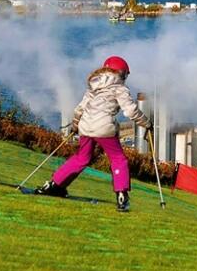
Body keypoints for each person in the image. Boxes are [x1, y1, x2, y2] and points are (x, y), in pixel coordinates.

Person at [36, 56, 151, 212]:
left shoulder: (93, 86)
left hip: (85, 127)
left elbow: (79, 109)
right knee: (118, 159)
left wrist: (75, 126)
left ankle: (54, 185)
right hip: (104, 128)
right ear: (120, 73)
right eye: (125, 74)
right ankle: (122, 195)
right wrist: (146, 123)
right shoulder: (120, 88)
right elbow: (130, 110)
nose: (125, 78)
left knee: (81, 158)